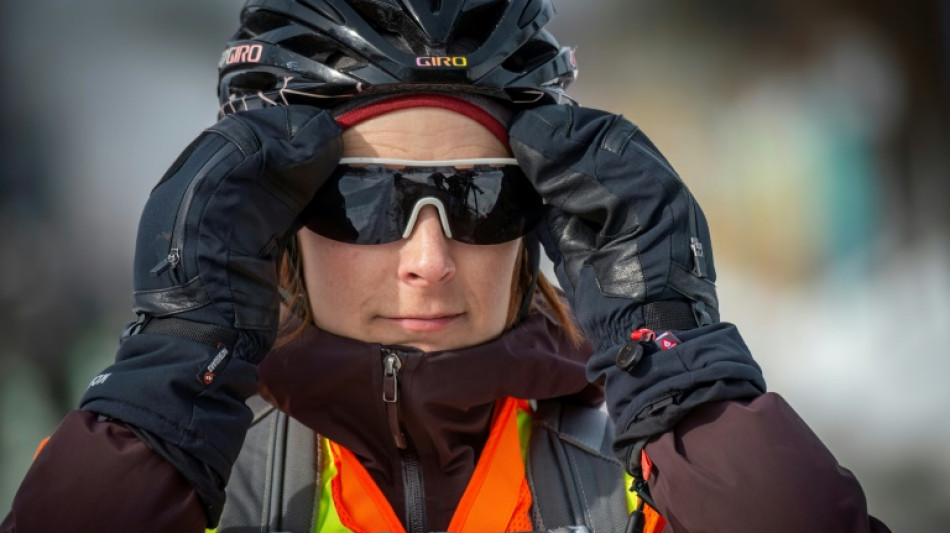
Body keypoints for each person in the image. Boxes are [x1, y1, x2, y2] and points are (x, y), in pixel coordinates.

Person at [3, 1, 890, 532]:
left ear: (544, 212)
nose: (428, 261)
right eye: (365, 201)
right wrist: (170, 375)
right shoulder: (173, 482)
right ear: (274, 216)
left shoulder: (652, 481)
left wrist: (685, 372)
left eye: (479, 198)